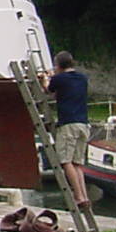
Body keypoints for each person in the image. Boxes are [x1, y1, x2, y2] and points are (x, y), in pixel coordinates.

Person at [42, 50, 91, 209]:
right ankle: (83, 195)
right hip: (83, 124)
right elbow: (62, 94)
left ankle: (77, 196)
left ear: (59, 65)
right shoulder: (82, 78)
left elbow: (48, 91)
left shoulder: (59, 78)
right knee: (77, 164)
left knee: (66, 162)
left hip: (68, 124)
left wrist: (45, 79)